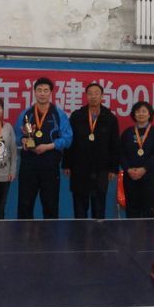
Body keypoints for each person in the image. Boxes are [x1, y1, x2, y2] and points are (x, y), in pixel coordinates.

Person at [14, 77, 72, 219]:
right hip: (28, 165)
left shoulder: (59, 114)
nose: (42, 93)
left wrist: (49, 146)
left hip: (50, 166)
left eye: (46, 90)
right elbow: (17, 136)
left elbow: (68, 139)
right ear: (34, 92)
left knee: (50, 205)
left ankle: (50, 234)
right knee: (25, 205)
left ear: (51, 93)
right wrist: (23, 141)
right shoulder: (26, 114)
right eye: (39, 90)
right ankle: (24, 233)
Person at [62, 82, 120, 219]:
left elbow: (115, 145)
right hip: (79, 167)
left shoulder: (110, 118)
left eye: (96, 93)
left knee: (99, 207)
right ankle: (79, 231)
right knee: (79, 207)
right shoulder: (77, 116)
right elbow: (70, 141)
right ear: (86, 96)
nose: (93, 96)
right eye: (90, 94)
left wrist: (113, 168)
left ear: (102, 96)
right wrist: (66, 164)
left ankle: (98, 231)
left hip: (101, 168)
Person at [120, 100, 154, 218]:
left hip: (149, 176)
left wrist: (144, 169)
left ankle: (149, 231)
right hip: (130, 176)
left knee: (149, 209)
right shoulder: (127, 133)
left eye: (144, 111)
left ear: (149, 114)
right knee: (131, 208)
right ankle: (131, 230)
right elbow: (121, 153)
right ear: (133, 114)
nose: (141, 114)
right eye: (138, 111)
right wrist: (128, 169)